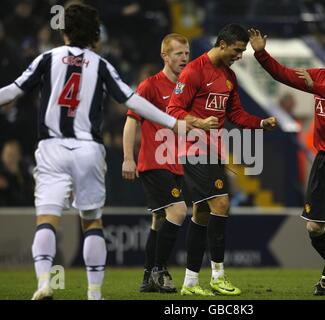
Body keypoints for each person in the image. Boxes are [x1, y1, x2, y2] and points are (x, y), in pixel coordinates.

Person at [0, 3, 188, 300]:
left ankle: (44, 283)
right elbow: (132, 100)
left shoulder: (48, 58)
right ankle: (95, 293)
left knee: (47, 219)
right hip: (88, 149)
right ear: (95, 34)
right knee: (92, 220)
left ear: (64, 30)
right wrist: (172, 122)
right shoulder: (100, 64)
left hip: (52, 147)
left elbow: (12, 91)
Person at [249, 28, 325, 295]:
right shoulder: (320, 77)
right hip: (322, 159)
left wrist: (317, 88)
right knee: (314, 227)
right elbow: (283, 74)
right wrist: (260, 53)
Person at [167, 23, 278, 296]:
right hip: (193, 148)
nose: (239, 56)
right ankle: (218, 276)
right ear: (222, 44)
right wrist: (199, 123)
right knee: (222, 203)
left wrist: (261, 123)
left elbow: (237, 114)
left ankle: (190, 283)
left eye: (242, 52)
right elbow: (173, 109)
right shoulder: (194, 70)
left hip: (213, 150)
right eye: (237, 50)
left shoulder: (229, 76)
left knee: (202, 214)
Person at [122, 33, 196, 294]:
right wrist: (128, 158)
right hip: (154, 162)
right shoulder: (149, 86)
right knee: (178, 212)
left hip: (175, 164)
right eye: (179, 54)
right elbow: (131, 121)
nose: (184, 58)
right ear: (165, 56)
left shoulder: (186, 89)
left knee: (158, 220)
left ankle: (147, 275)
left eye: (186, 53)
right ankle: (159, 270)